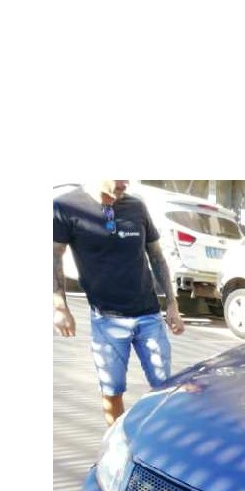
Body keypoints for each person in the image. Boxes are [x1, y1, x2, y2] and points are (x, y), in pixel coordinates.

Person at [53, 179, 186, 425]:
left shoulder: (137, 206)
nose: (125, 183)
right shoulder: (66, 207)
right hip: (107, 320)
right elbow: (54, 256)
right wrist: (60, 306)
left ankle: (158, 436)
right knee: (112, 391)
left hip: (149, 316)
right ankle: (117, 441)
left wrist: (172, 304)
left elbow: (156, 256)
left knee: (163, 387)